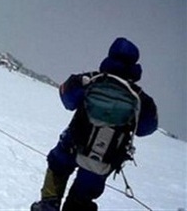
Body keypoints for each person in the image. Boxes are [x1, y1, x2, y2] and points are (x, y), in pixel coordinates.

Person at [31, 37, 158, 211]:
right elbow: (146, 128)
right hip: (104, 158)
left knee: (57, 168)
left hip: (71, 145)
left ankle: (48, 205)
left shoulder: (88, 80)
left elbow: (67, 100)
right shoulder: (141, 99)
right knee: (80, 200)